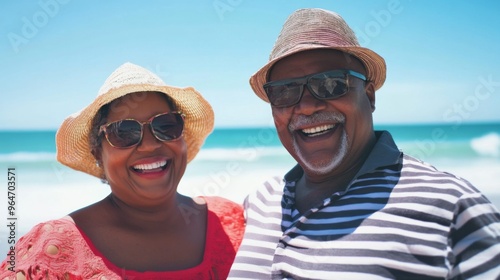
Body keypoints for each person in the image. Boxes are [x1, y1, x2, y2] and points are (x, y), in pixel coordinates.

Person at [228, 8, 500, 279]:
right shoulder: (261, 203)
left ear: (369, 96)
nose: (307, 107)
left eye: (331, 83)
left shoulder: (451, 207)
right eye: (284, 91)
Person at [0, 62, 244, 279]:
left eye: (165, 125)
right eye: (124, 132)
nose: (149, 144)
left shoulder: (234, 224)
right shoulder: (53, 250)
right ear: (98, 152)